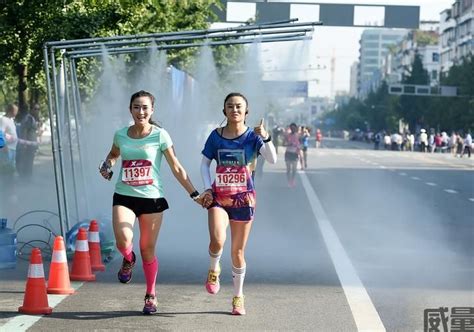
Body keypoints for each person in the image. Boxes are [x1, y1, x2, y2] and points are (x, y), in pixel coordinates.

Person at [99, 90, 203, 314]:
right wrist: (107, 166)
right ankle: (128, 259)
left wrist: (194, 194)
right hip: (124, 195)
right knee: (123, 241)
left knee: (147, 249)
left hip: (152, 199)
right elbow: (113, 154)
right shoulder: (121, 134)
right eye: (136, 107)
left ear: (152, 110)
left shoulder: (160, 135)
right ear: (130, 109)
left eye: (145, 107)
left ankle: (150, 294)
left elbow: (176, 167)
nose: (141, 112)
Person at [198, 92, 277, 315]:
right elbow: (204, 165)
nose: (234, 110)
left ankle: (238, 297)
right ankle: (214, 268)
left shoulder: (253, 137)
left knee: (238, 252)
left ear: (246, 111)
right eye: (230, 106)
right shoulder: (215, 136)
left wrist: (267, 137)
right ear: (224, 111)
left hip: (244, 199)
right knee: (217, 239)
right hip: (219, 197)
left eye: (239, 106)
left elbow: (272, 159)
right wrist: (207, 188)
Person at [16, 104, 39, 179]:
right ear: (31, 109)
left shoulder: (32, 118)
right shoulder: (28, 118)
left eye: (38, 109)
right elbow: (25, 131)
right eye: (35, 109)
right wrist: (25, 144)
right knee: (27, 161)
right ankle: (25, 178)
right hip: (28, 145)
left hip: (31, 145)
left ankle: (28, 177)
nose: (37, 111)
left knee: (29, 161)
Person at [0, 104, 19, 173]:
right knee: (6, 169)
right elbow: (0, 133)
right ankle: (6, 183)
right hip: (7, 149)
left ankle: (10, 182)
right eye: (16, 111)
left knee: (11, 168)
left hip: (13, 148)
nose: (17, 113)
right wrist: (4, 146)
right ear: (10, 111)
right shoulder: (3, 120)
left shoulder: (11, 120)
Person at [284, 123, 301, 187]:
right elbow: (284, 143)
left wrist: (299, 148)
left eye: (294, 128)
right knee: (288, 169)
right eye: (291, 128)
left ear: (296, 128)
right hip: (288, 153)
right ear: (290, 128)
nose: (293, 129)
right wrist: (288, 144)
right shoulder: (287, 135)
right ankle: (289, 182)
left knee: (294, 169)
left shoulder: (298, 135)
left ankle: (292, 180)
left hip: (295, 153)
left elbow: (300, 144)